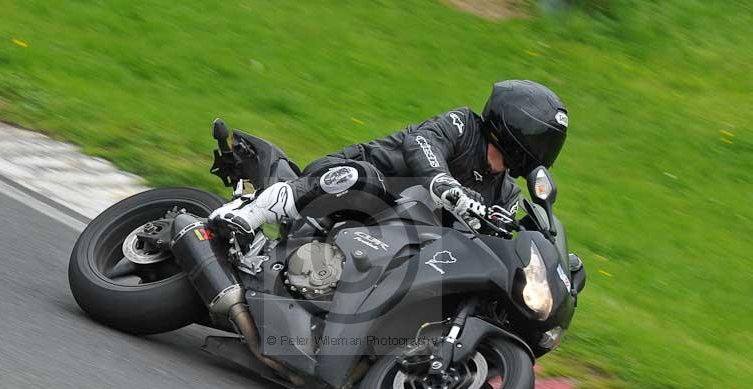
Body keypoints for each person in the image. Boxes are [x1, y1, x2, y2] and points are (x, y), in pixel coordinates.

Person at [208, 80, 568, 249]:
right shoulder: (463, 125)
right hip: (349, 179)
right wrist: (446, 185)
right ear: (517, 125)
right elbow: (422, 143)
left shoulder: (504, 192)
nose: (545, 150)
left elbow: (501, 241)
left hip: (391, 241)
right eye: (543, 139)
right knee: (364, 179)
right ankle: (249, 213)